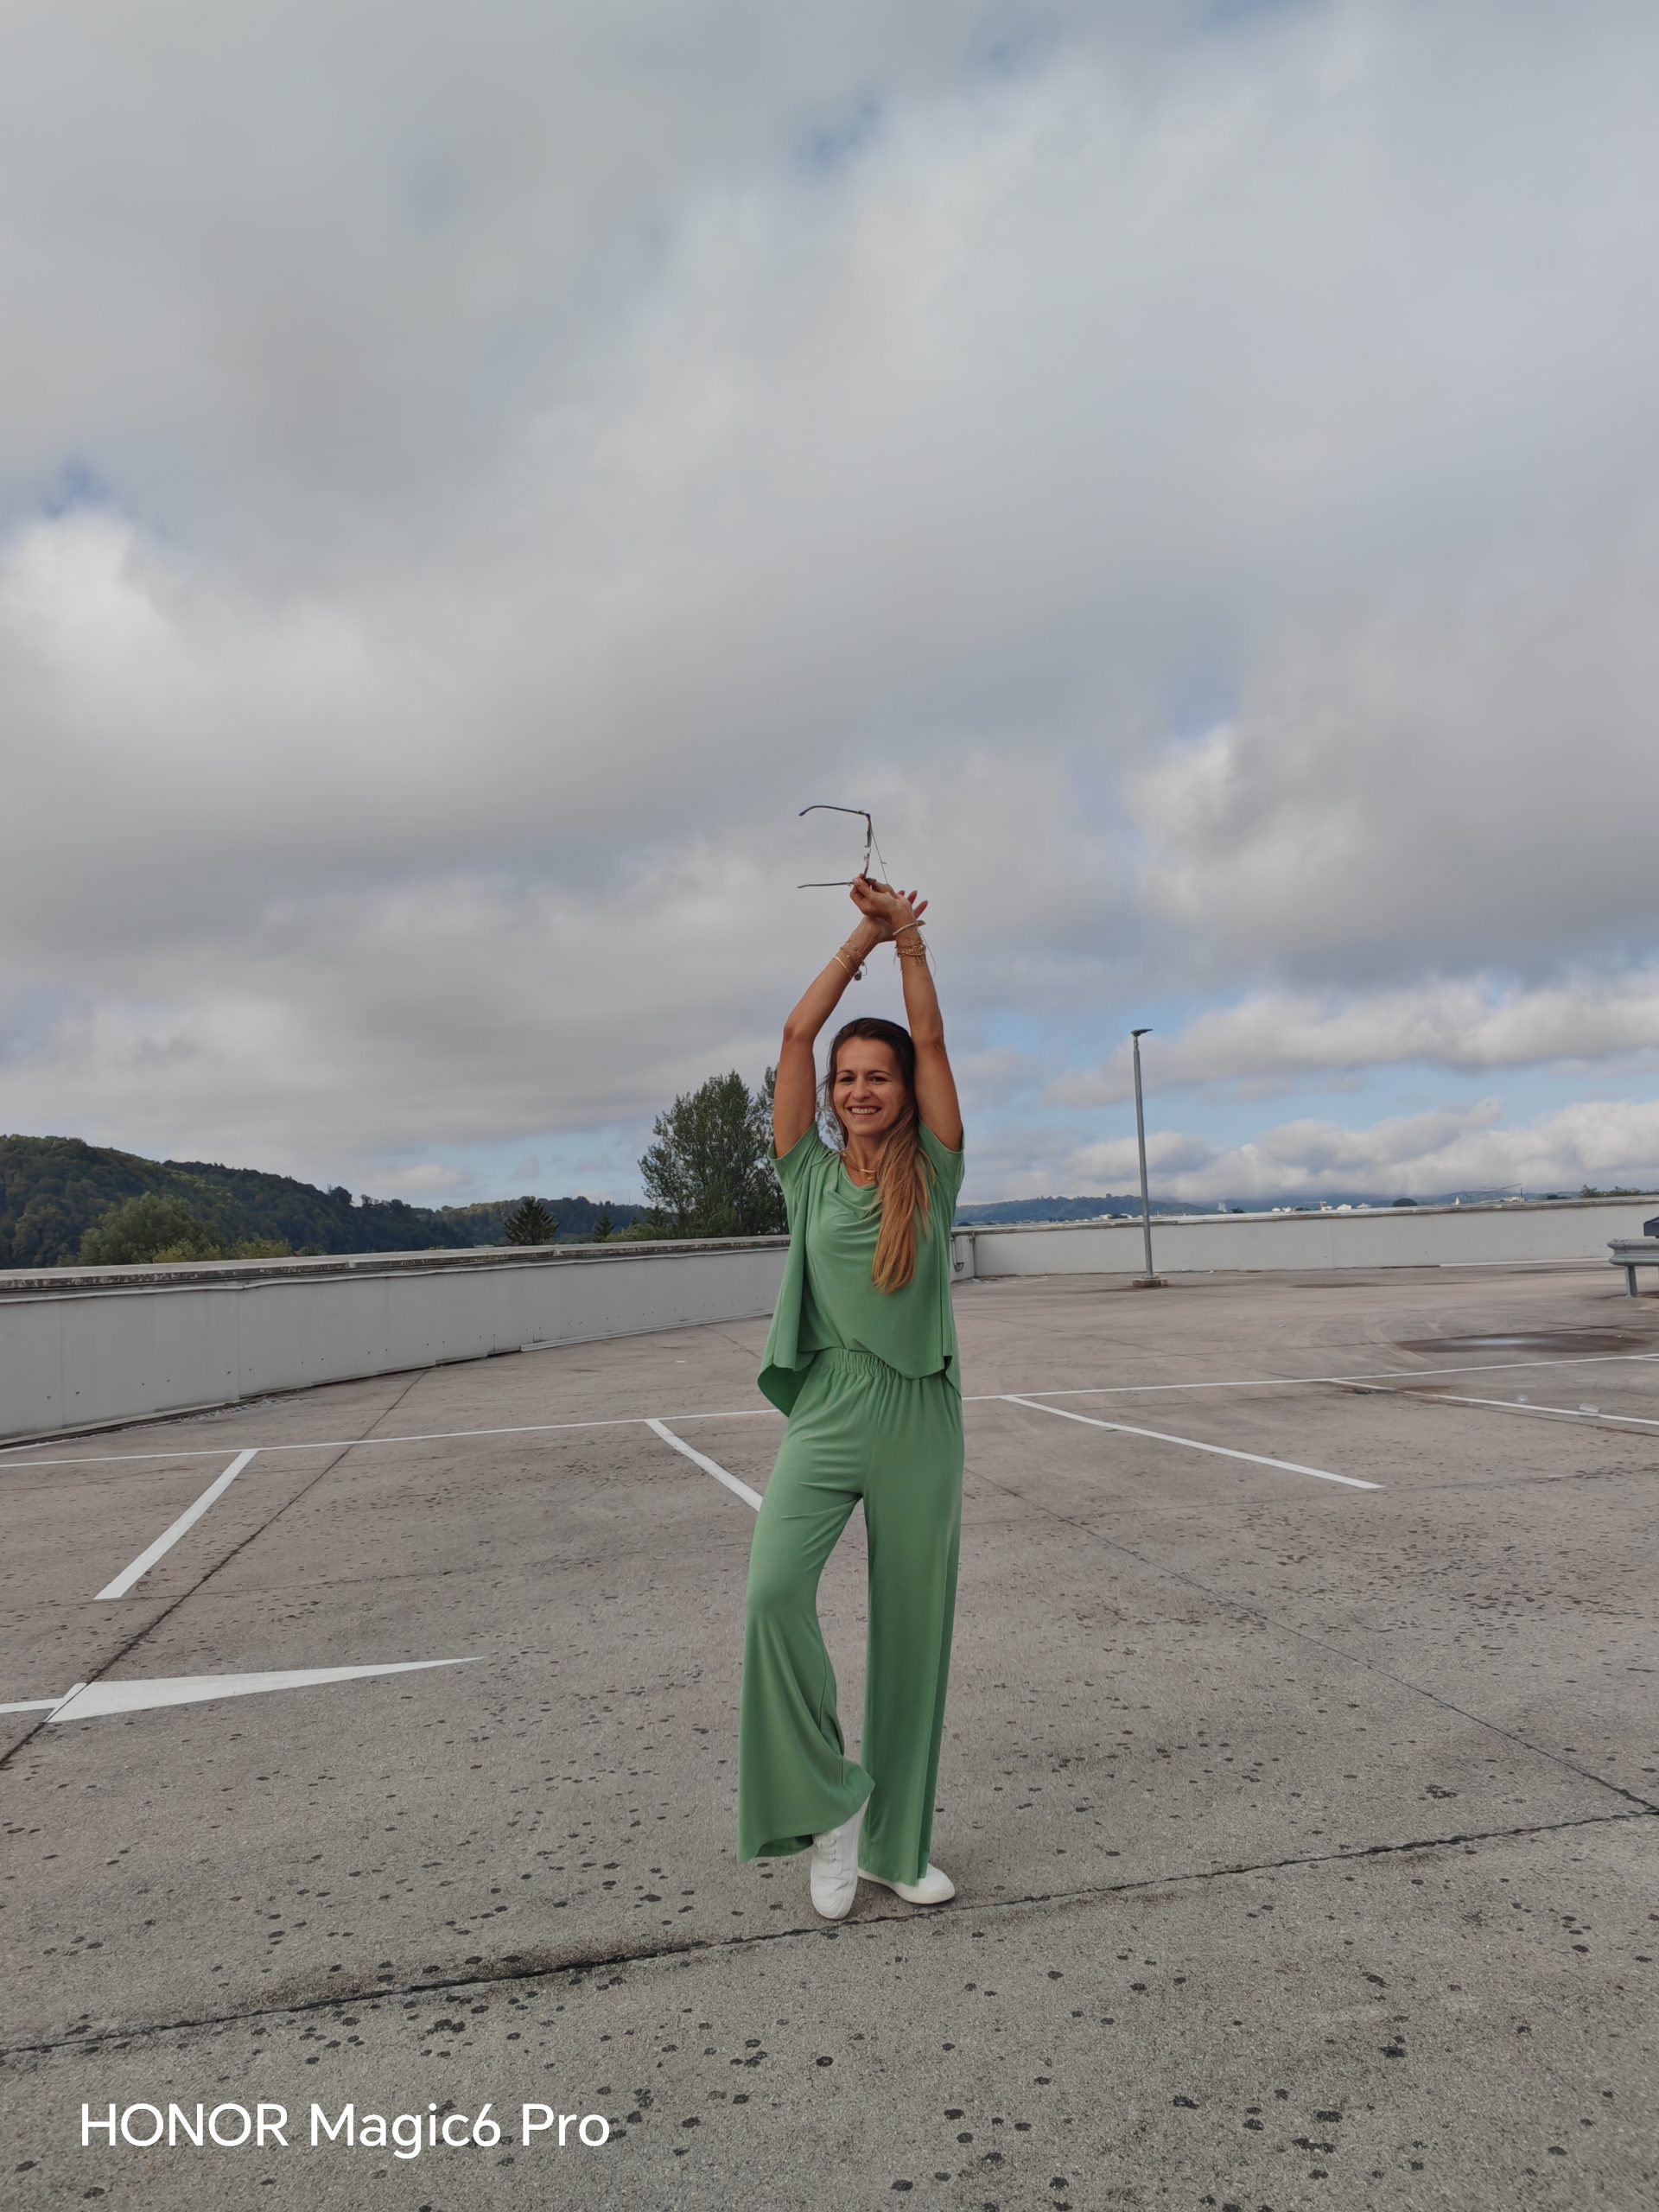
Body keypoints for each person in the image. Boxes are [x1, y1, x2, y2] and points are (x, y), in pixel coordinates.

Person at [735, 871, 967, 1919]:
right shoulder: (808, 1175)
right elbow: (793, 1035)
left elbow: (936, 1044)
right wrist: (861, 939)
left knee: (913, 1633)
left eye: (879, 1076)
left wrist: (911, 944)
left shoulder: (936, 1171)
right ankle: (830, 1804)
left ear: (904, 1089)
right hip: (830, 1404)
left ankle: (894, 1845)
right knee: (772, 1594)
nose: (861, 1090)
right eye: (848, 1078)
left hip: (920, 1413)